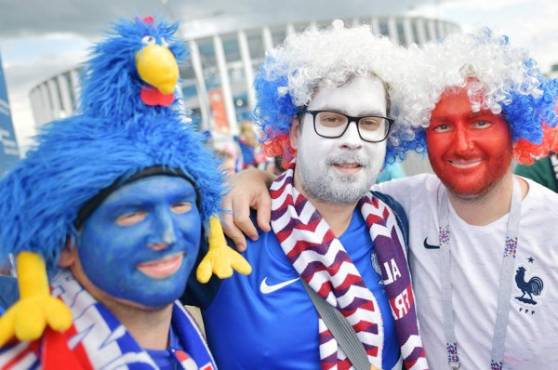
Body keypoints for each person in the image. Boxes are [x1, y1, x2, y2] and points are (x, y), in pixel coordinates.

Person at [223, 29, 558, 369]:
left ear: (516, 128)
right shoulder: (403, 208)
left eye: (481, 121)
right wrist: (251, 179)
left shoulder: (389, 218)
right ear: (295, 132)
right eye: (441, 126)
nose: (462, 144)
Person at [0, 17, 250, 368]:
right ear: (65, 247)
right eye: (131, 213)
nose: (167, 235)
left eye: (180, 205)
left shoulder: (184, 336)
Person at [202, 22, 428, 370]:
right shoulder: (232, 230)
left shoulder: (395, 221)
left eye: (369, 123)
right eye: (332, 119)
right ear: (294, 133)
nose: (352, 140)